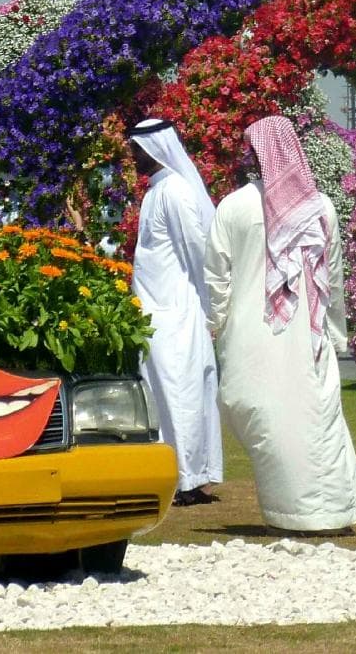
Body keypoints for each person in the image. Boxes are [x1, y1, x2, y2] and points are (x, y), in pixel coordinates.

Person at [202, 116, 356, 533]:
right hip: (303, 337)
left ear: (257, 154)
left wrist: (214, 324)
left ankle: (314, 515)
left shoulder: (234, 207)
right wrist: (334, 331)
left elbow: (216, 279)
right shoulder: (320, 207)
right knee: (305, 420)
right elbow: (336, 279)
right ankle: (313, 514)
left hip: (256, 337)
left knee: (285, 419)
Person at [128, 118, 223, 507]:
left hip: (179, 311)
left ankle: (190, 480)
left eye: (135, 150)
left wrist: (209, 307)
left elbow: (198, 253)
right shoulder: (155, 192)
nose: (132, 157)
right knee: (165, 393)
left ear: (153, 149)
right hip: (157, 313)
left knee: (182, 392)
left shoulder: (177, 192)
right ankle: (176, 475)